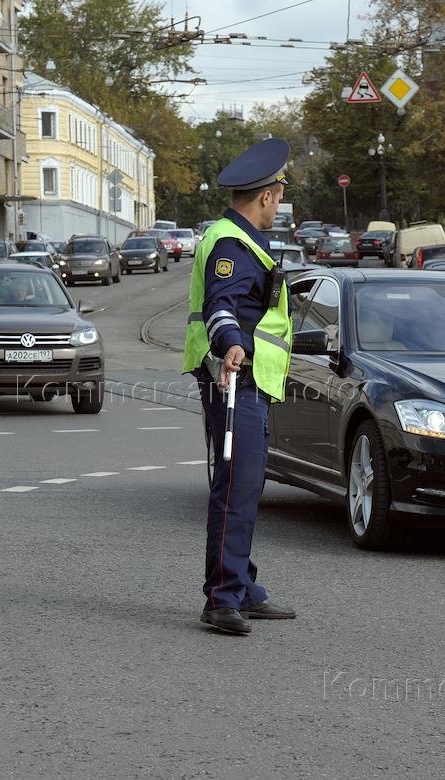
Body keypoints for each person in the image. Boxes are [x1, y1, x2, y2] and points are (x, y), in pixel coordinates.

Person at [182, 138, 296, 636]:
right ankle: (222, 597)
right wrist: (230, 343)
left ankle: (241, 587)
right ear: (267, 195)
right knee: (235, 490)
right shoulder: (231, 244)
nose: (280, 205)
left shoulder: (241, 239)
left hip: (247, 380)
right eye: (280, 196)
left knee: (245, 488)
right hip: (233, 379)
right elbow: (221, 305)